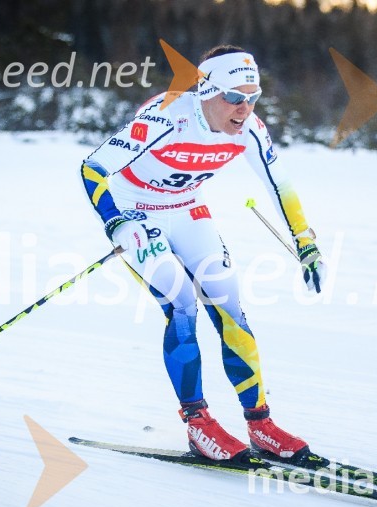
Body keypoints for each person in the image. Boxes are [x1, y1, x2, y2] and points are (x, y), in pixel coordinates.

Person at [80, 45, 326, 464]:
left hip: (187, 210)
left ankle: (260, 424)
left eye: (253, 97)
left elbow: (279, 183)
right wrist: (117, 222)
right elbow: (92, 167)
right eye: (233, 97)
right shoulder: (166, 116)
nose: (244, 108)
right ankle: (198, 423)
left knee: (229, 306)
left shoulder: (250, 129)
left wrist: (305, 241)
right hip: (136, 214)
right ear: (206, 90)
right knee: (181, 304)